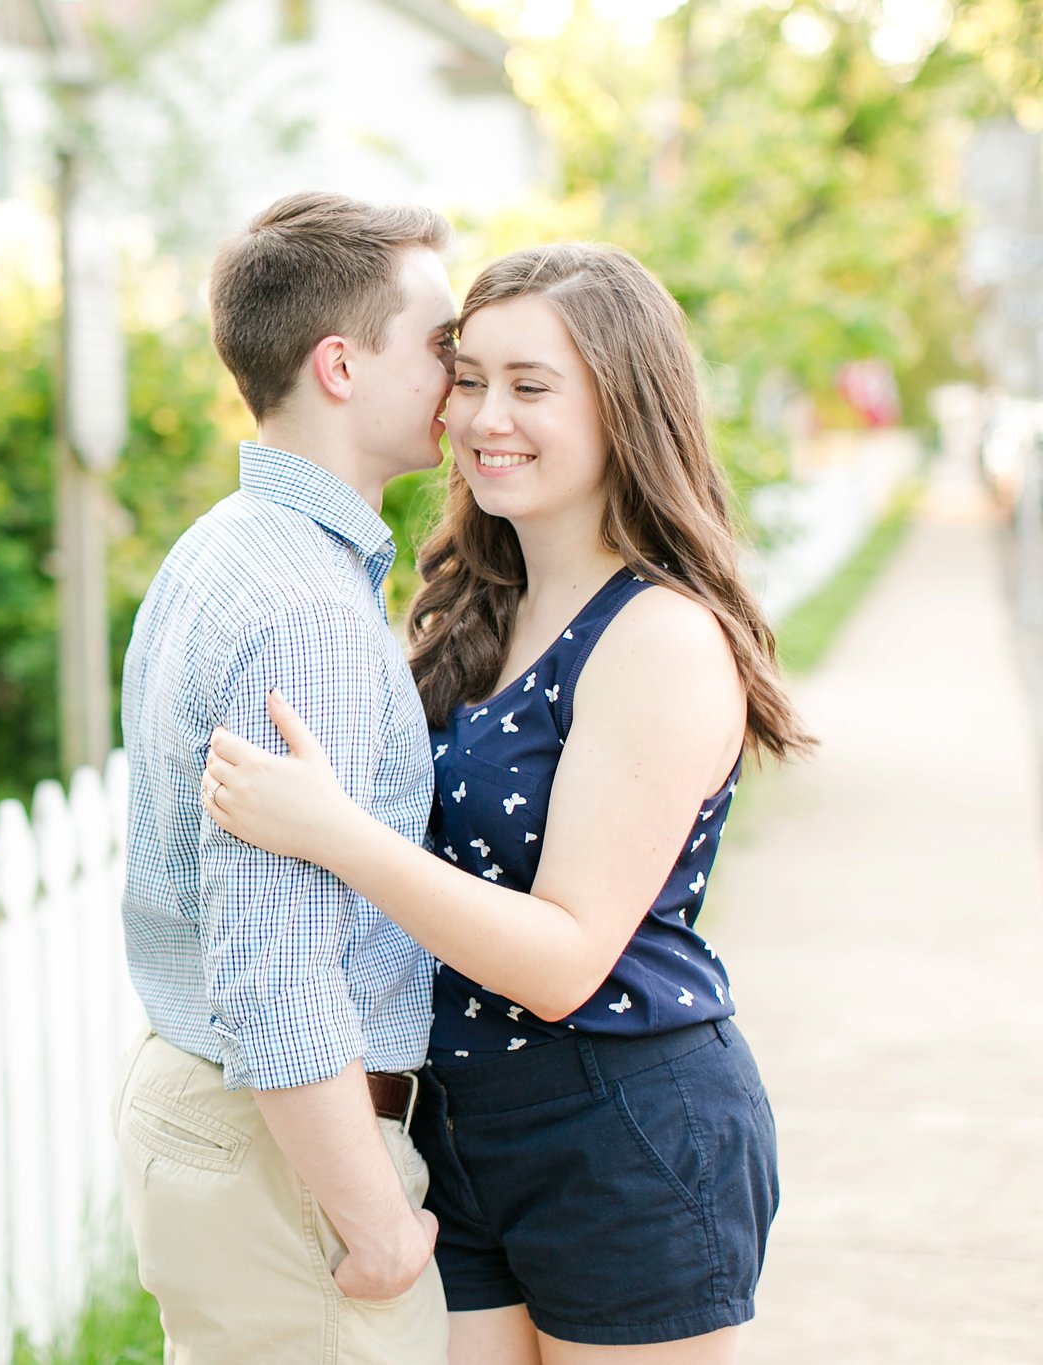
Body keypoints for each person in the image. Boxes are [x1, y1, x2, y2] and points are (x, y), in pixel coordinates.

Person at [201, 242, 813, 1363]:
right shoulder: (476, 612)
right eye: (467, 376)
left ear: (624, 408)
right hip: (463, 1126)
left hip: (620, 1127)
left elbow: (563, 959)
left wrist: (332, 835)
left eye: (531, 386)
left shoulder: (659, 638)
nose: (483, 417)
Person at [115, 191, 459, 1364]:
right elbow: (271, 966)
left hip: (220, 1123)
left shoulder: (225, 544)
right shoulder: (306, 614)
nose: (458, 381)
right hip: (291, 1162)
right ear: (339, 366)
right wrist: (376, 1234)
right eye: (439, 346)